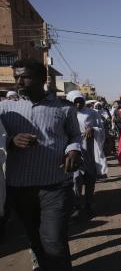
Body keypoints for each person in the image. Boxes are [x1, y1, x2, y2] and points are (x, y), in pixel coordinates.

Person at [0, 59, 81, 270]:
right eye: (16, 77)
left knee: (53, 240)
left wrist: (73, 150)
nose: (19, 82)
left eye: (24, 77)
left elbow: (74, 136)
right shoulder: (5, 108)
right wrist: (10, 141)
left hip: (56, 186)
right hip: (20, 187)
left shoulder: (64, 108)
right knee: (34, 238)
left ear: (42, 79)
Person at [66, 91, 107, 217]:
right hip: (72, 150)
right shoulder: (66, 113)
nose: (78, 104)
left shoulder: (92, 113)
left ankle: (89, 204)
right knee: (76, 179)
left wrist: (92, 129)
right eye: (75, 101)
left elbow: (101, 130)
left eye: (80, 101)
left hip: (89, 149)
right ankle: (76, 205)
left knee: (90, 178)